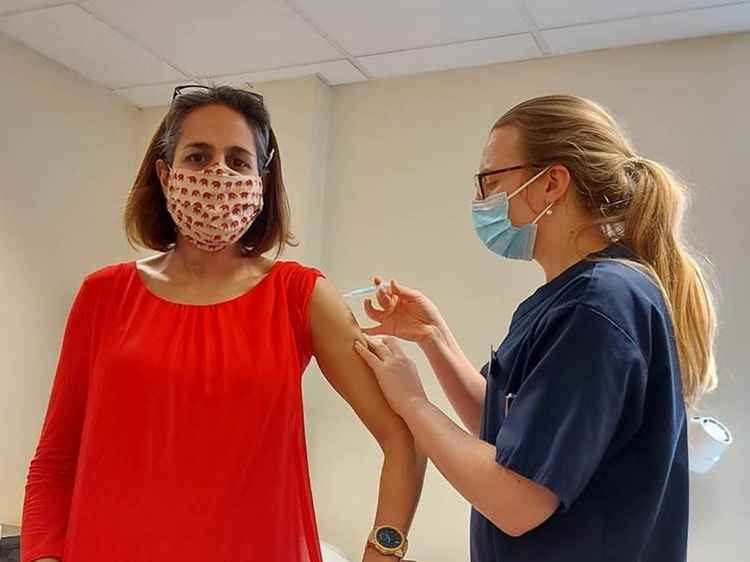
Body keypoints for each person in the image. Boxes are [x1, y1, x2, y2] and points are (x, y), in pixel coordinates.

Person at [21, 85, 426, 562]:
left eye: (238, 161)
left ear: (262, 180)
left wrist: (383, 550)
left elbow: (403, 438)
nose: (218, 174)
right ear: (164, 173)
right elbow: (54, 461)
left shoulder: (300, 297)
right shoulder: (103, 296)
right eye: (197, 156)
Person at [355, 95, 718, 562]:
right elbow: (510, 434)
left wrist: (411, 402)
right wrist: (434, 338)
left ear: (551, 183)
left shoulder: (598, 304)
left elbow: (517, 501)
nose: (479, 200)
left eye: (489, 180)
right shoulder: (567, 298)